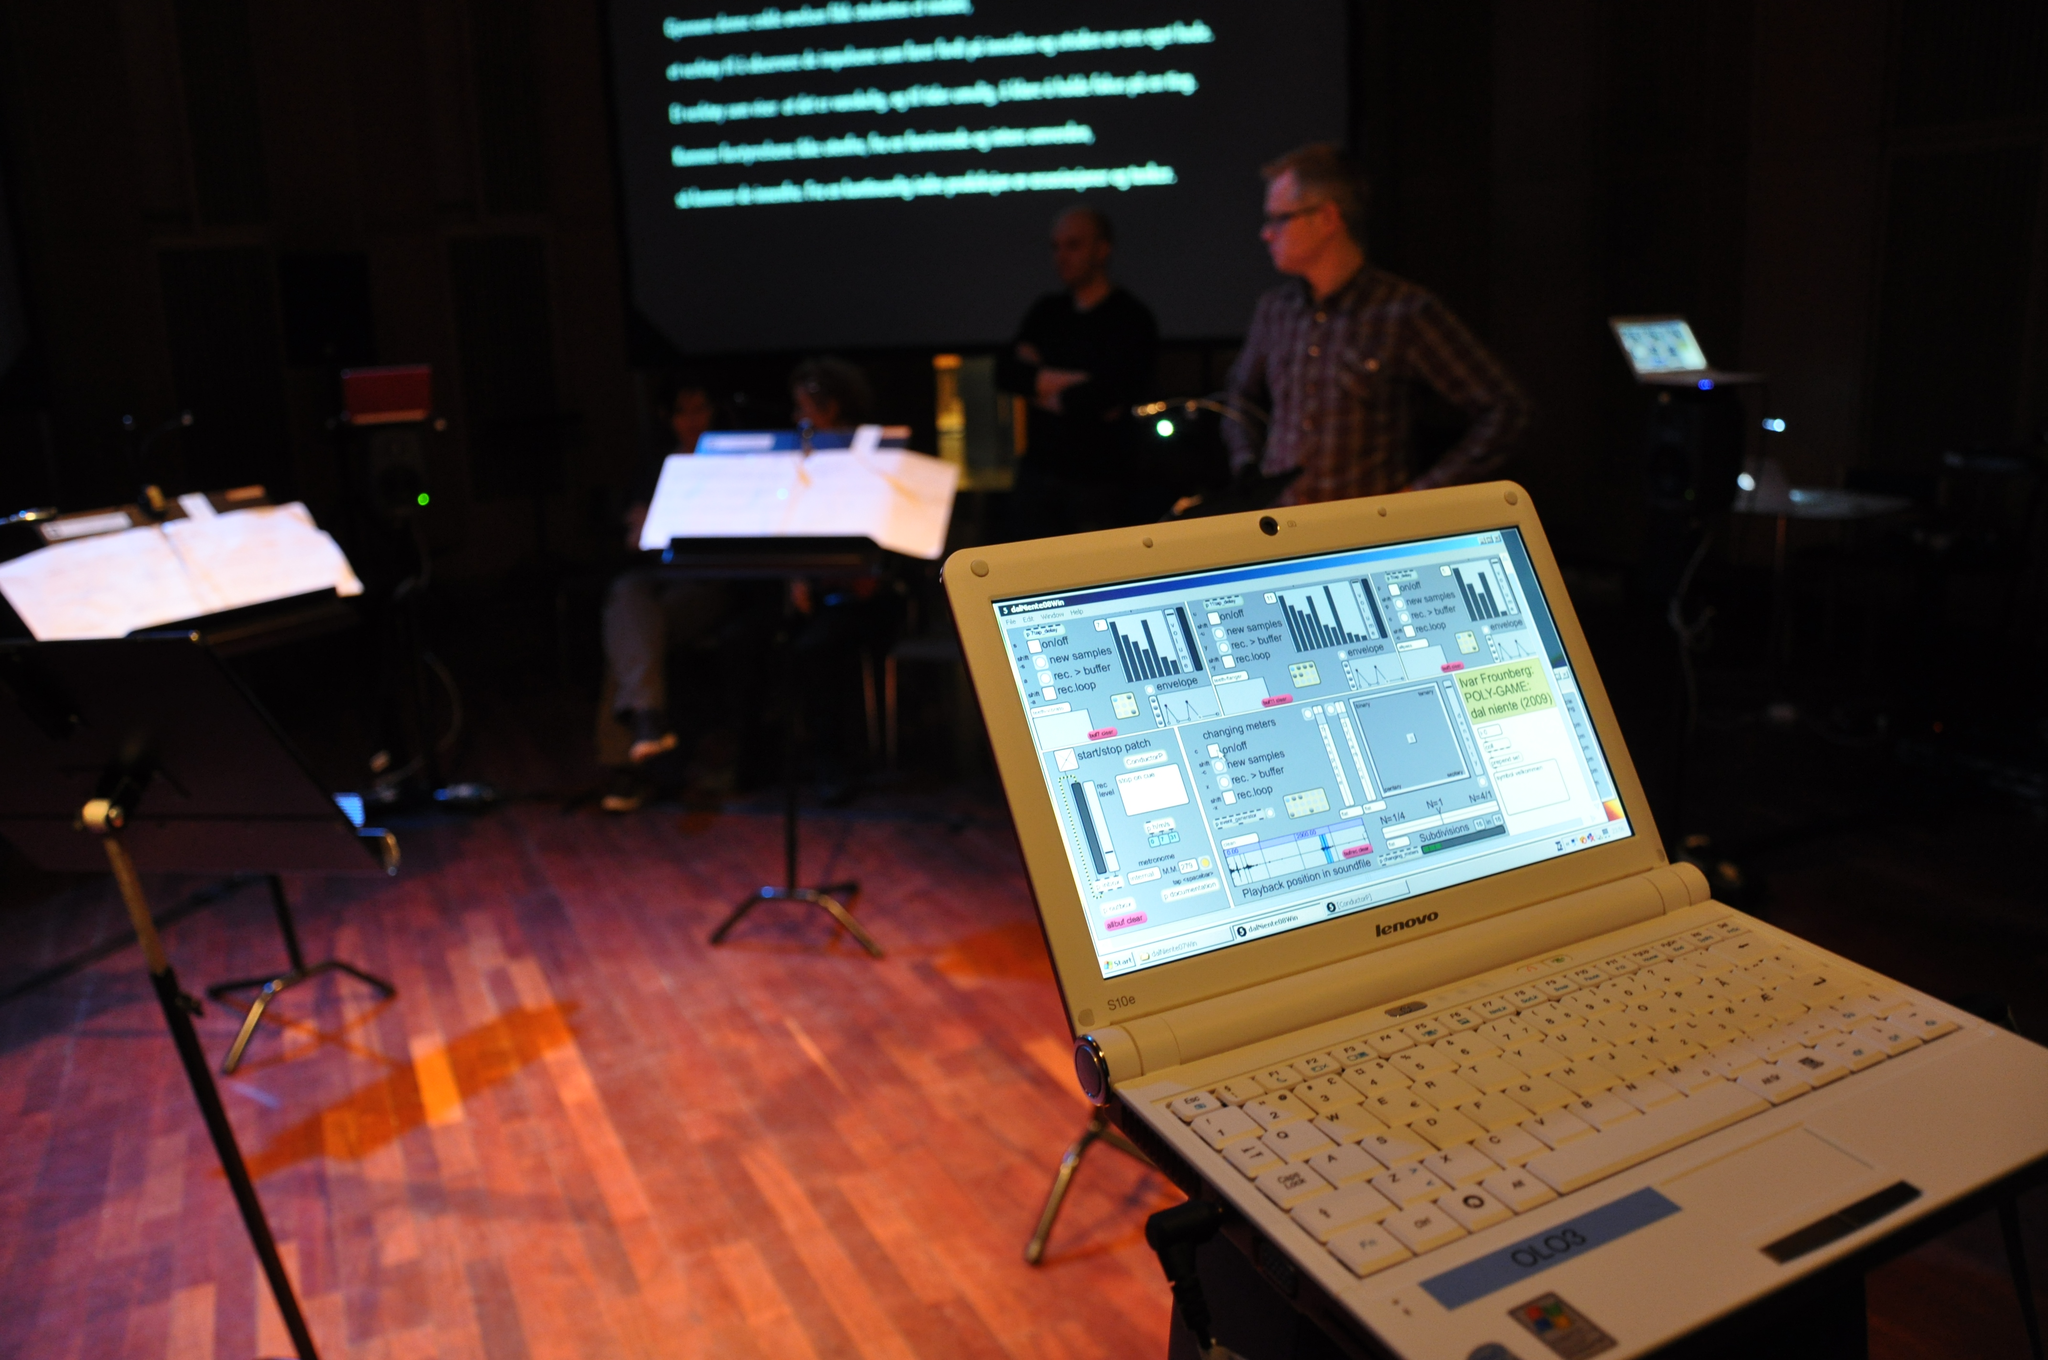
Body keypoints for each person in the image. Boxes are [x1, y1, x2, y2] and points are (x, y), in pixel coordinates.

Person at [1224, 143, 1529, 505]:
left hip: (1366, 528)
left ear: (1327, 218)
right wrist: (1248, 467)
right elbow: (1238, 397)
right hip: (1283, 522)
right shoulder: (1276, 310)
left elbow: (1507, 410)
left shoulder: (1403, 310)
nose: (1267, 233)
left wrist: (1420, 497)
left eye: (1280, 218)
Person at [598, 373, 730, 810]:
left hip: (707, 581)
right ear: (665, 417)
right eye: (681, 412)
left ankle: (629, 763)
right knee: (626, 597)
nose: (692, 420)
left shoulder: (731, 463)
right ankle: (647, 725)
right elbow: (635, 535)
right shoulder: (656, 465)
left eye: (700, 409)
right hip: (658, 574)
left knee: (632, 635)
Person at [996, 205, 1159, 536]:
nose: (1061, 257)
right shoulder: (1047, 312)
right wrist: (1074, 382)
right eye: (1055, 247)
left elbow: (1109, 395)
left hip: (1101, 485)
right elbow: (1006, 373)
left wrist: (1041, 381)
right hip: (1038, 477)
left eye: (1073, 245)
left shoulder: (1130, 317)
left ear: (1102, 249)